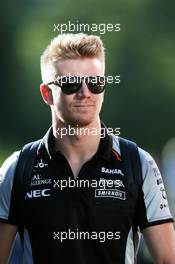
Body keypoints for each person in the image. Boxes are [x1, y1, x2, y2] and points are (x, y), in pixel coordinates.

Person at [0, 33, 175, 264]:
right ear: (46, 94)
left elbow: (167, 259)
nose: (85, 93)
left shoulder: (139, 163)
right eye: (71, 84)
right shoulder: (18, 166)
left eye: (95, 83)